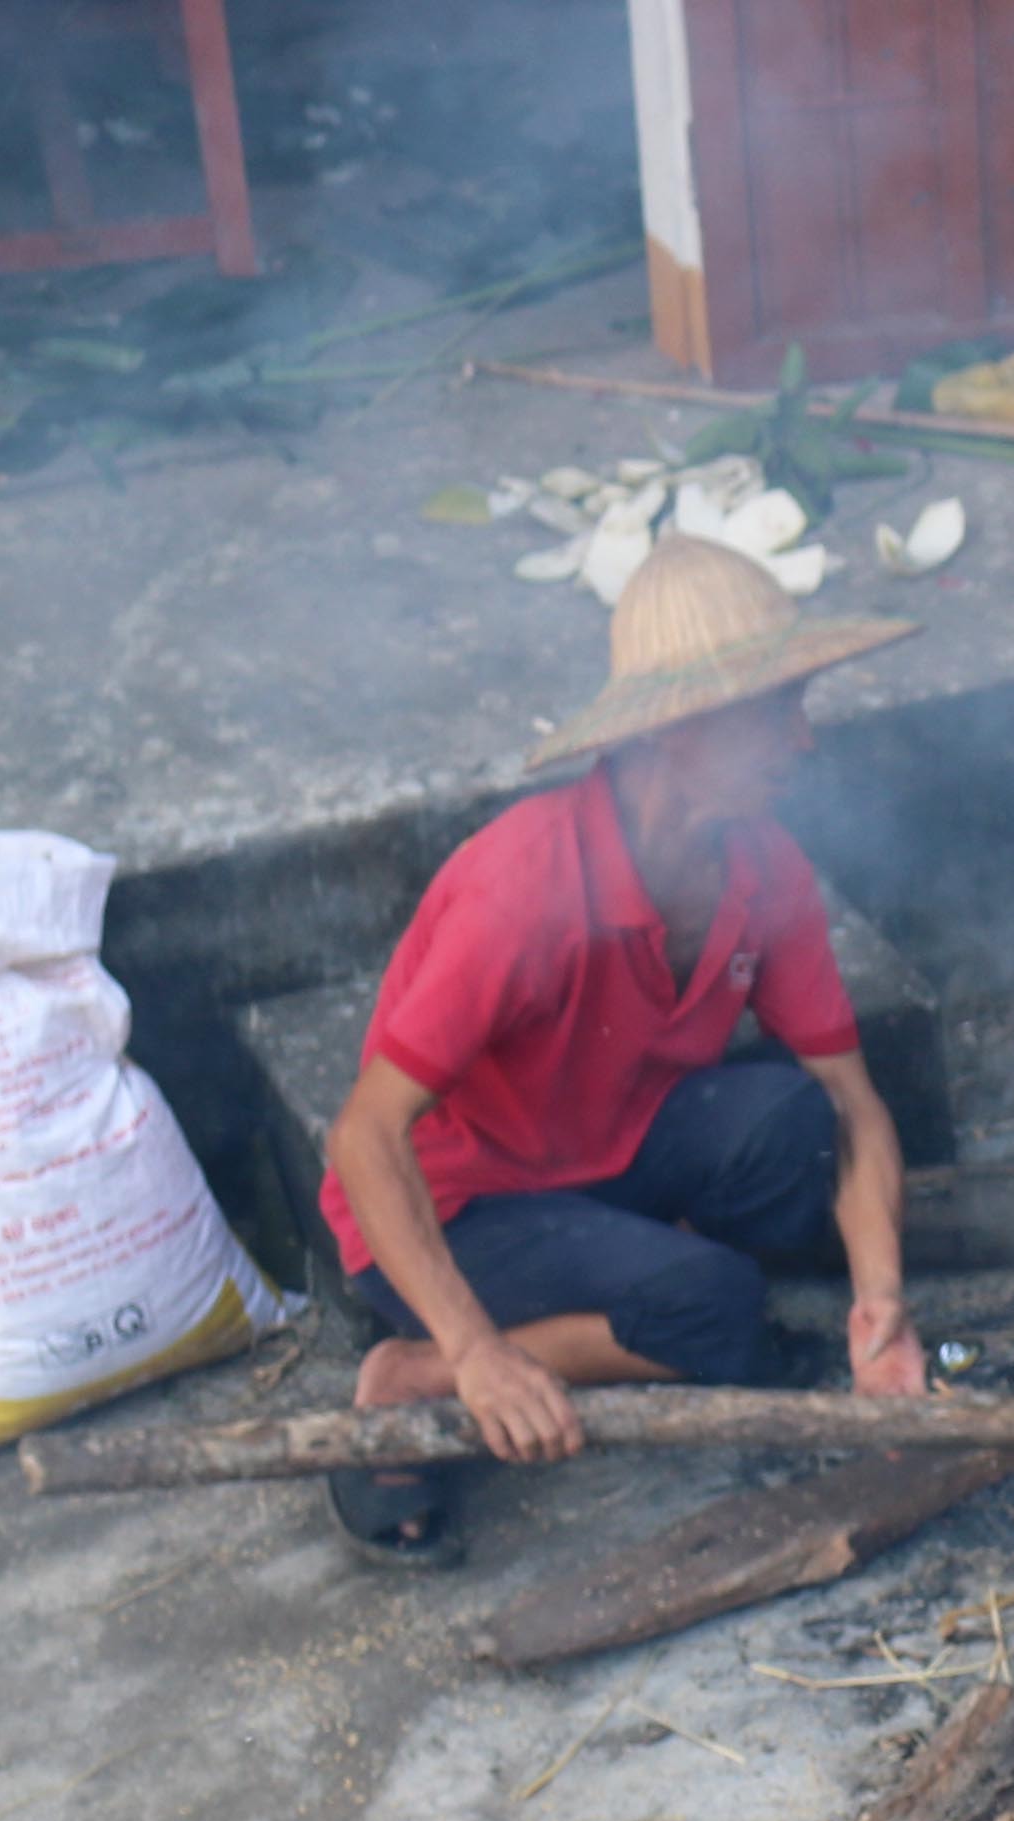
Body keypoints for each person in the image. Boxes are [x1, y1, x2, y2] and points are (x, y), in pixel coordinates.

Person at [314, 541, 930, 1565]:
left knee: (794, 1124)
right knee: (723, 1314)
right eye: (776, 709)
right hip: (456, 1207)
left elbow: (852, 1100)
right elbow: (363, 1135)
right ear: (678, 730)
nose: (804, 739)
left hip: (607, 1160)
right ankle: (408, 1371)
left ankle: (635, 1273)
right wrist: (472, 1357)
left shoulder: (765, 866)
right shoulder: (525, 889)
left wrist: (883, 1302)